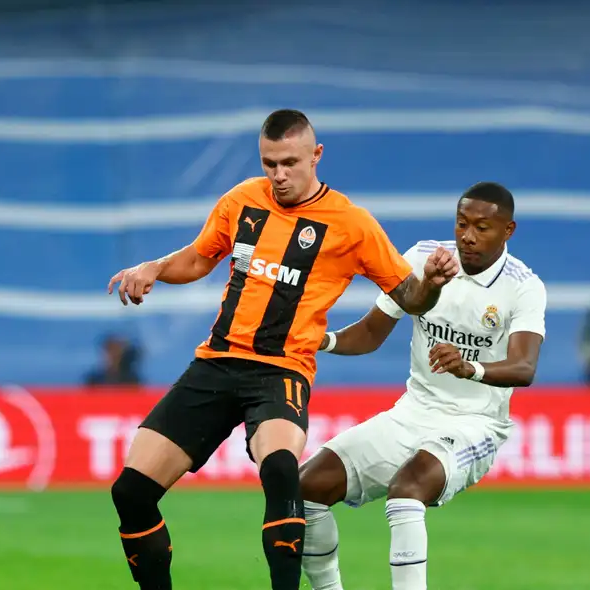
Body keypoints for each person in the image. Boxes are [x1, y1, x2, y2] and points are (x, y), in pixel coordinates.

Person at [104, 109, 458, 590]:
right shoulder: (243, 200)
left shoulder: (352, 224)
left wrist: (431, 284)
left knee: (280, 469)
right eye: (269, 163)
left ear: (316, 155)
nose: (279, 175)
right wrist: (154, 267)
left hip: (280, 371)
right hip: (215, 363)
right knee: (130, 492)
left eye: (289, 162)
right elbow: (197, 257)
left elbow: (410, 297)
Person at [297, 182, 547, 590]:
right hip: (412, 413)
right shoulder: (424, 258)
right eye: (462, 223)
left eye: (482, 227)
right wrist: (321, 340)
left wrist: (472, 368)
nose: (467, 235)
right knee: (306, 486)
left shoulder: (523, 287)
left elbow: (524, 367)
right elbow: (371, 333)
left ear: (508, 231)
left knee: (408, 488)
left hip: (475, 424)